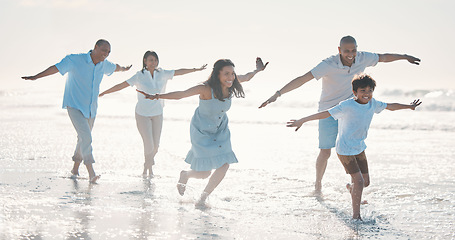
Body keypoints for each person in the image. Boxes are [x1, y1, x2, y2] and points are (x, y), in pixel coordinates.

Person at [259, 35, 421, 192]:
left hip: (351, 110)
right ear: (339, 50)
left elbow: (384, 57)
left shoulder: (363, 57)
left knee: (353, 149)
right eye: (346, 51)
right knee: (325, 151)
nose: (350, 54)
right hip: (328, 109)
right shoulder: (328, 64)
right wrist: (278, 94)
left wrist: (405, 57)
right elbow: (303, 79)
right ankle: (318, 185)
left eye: (353, 50)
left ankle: (355, 187)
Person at [287, 74, 421, 219]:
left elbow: (391, 106)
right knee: (359, 181)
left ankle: (352, 189)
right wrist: (302, 120)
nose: (367, 94)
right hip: (345, 149)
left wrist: (409, 106)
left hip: (359, 147)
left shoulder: (373, 103)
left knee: (365, 182)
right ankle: (356, 216)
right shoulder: (347, 105)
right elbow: (325, 113)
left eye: (370, 90)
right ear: (355, 92)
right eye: (363, 91)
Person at [137, 58, 268, 206]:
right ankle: (185, 175)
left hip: (220, 130)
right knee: (204, 173)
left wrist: (258, 70)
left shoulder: (232, 83)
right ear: (217, 74)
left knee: (225, 164)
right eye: (226, 74)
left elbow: (248, 76)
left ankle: (203, 198)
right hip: (201, 131)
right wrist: (157, 96)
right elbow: (182, 94)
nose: (230, 77)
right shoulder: (205, 89)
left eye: (232, 73)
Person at [21, 39, 132, 183]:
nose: (106, 54)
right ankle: (91, 173)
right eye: (104, 50)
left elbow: (116, 67)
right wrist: (36, 77)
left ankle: (75, 168)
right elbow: (55, 68)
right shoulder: (75, 59)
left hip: (91, 109)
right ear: (95, 47)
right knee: (86, 137)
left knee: (82, 139)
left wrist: (124, 68)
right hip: (74, 105)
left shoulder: (104, 65)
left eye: (109, 52)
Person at [99, 50, 207, 177]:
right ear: (145, 61)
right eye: (150, 60)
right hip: (142, 114)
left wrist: (196, 69)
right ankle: (148, 170)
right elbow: (122, 85)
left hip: (157, 113)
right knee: (149, 144)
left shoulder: (162, 73)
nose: (153, 62)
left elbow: (179, 72)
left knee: (156, 146)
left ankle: (147, 164)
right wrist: (105, 92)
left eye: (155, 60)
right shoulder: (139, 75)